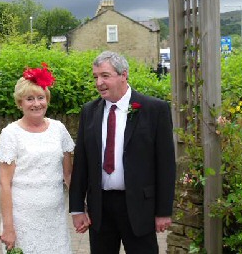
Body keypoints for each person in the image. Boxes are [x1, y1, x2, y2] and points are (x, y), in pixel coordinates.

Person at [69, 51, 176, 254]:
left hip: (139, 207)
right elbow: (81, 163)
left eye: (105, 76)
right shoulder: (89, 111)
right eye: (95, 77)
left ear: (124, 75)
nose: (99, 82)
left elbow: (166, 164)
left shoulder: (155, 109)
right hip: (100, 208)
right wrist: (76, 208)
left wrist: (163, 211)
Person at [0, 63, 75, 253]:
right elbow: (4, 184)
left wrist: (82, 209)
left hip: (54, 219)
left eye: (41, 97)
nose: (37, 103)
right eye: (29, 99)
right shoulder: (10, 134)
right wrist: (8, 227)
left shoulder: (59, 129)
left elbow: (69, 175)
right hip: (22, 220)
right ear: (20, 103)